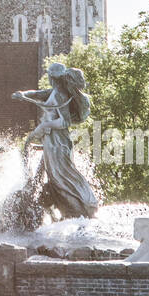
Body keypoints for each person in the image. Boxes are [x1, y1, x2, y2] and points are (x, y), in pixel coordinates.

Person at [11, 63, 98, 220]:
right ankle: (56, 205)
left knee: (62, 178)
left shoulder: (59, 95)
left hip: (57, 142)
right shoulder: (55, 92)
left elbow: (64, 122)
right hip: (52, 140)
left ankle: (80, 208)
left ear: (52, 77)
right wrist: (23, 94)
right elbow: (38, 93)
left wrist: (44, 125)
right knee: (54, 174)